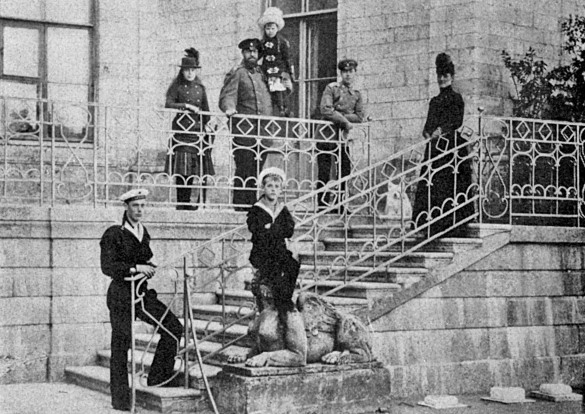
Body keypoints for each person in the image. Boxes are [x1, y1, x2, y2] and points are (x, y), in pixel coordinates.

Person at [100, 189, 183, 411]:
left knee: (173, 327)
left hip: (142, 294)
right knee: (121, 345)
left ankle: (158, 377)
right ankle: (121, 400)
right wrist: (136, 268)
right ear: (126, 207)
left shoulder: (142, 231)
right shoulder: (114, 233)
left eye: (143, 205)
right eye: (135, 205)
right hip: (121, 295)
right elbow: (107, 267)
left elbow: (146, 259)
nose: (139, 210)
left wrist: (151, 267)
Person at [412, 52, 474, 238]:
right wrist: (428, 132)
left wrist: (442, 129)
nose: (442, 79)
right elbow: (428, 125)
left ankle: (454, 225)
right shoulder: (434, 101)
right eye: (439, 76)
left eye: (445, 76)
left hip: (451, 147)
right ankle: (431, 225)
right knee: (433, 184)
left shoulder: (456, 98)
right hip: (435, 148)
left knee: (450, 184)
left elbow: (456, 121)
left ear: (451, 77)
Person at [219, 38, 274, 210]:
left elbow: (271, 98)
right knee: (244, 168)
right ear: (243, 53)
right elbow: (227, 96)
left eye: (255, 52)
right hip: (244, 130)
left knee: (256, 171)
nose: (252, 55)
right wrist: (229, 108)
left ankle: (251, 206)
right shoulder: (238, 73)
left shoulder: (262, 74)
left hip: (263, 132)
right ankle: (240, 207)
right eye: (249, 52)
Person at [246, 167, 300, 314]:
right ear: (263, 188)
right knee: (274, 270)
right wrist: (274, 230)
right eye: (270, 186)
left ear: (281, 190)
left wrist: (271, 228)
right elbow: (256, 229)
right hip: (263, 252)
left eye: (277, 187)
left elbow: (289, 230)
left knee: (293, 265)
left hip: (280, 250)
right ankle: (279, 302)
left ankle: (285, 299)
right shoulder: (257, 209)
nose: (273, 189)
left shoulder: (282, 209)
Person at [165, 48, 214, 210]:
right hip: (182, 131)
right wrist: (186, 106)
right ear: (182, 71)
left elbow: (206, 109)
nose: (190, 73)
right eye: (187, 70)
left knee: (193, 169)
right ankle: (182, 203)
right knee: (182, 169)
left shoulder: (200, 88)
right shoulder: (177, 87)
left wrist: (208, 125)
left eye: (193, 70)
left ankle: (190, 203)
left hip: (196, 132)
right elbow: (168, 103)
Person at [316, 58, 365, 210]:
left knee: (344, 171)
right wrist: (345, 121)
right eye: (344, 72)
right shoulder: (332, 88)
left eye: (350, 71)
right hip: (326, 135)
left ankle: (341, 205)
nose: (348, 75)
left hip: (343, 137)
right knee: (324, 171)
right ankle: (322, 206)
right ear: (341, 73)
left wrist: (339, 117)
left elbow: (359, 116)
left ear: (355, 73)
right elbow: (325, 109)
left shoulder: (356, 94)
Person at [257, 7, 293, 117]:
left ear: (277, 28)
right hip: (267, 70)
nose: (270, 31)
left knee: (280, 90)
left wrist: (290, 73)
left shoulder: (282, 42)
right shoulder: (262, 42)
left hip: (279, 70)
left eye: (272, 28)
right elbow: (258, 55)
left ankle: (283, 108)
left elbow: (287, 58)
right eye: (268, 29)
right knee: (268, 91)